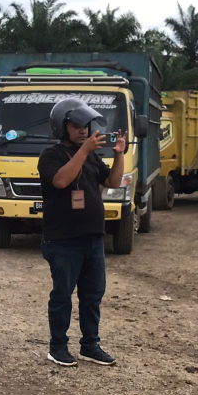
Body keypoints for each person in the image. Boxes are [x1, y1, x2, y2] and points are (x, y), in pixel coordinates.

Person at [37, 98, 126, 367]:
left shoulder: (91, 157)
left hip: (93, 238)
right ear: (61, 127)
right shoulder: (50, 155)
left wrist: (119, 153)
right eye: (76, 125)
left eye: (86, 125)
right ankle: (58, 347)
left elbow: (112, 182)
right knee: (62, 295)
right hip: (63, 241)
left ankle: (90, 345)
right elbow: (61, 180)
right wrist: (84, 151)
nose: (83, 130)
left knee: (92, 295)